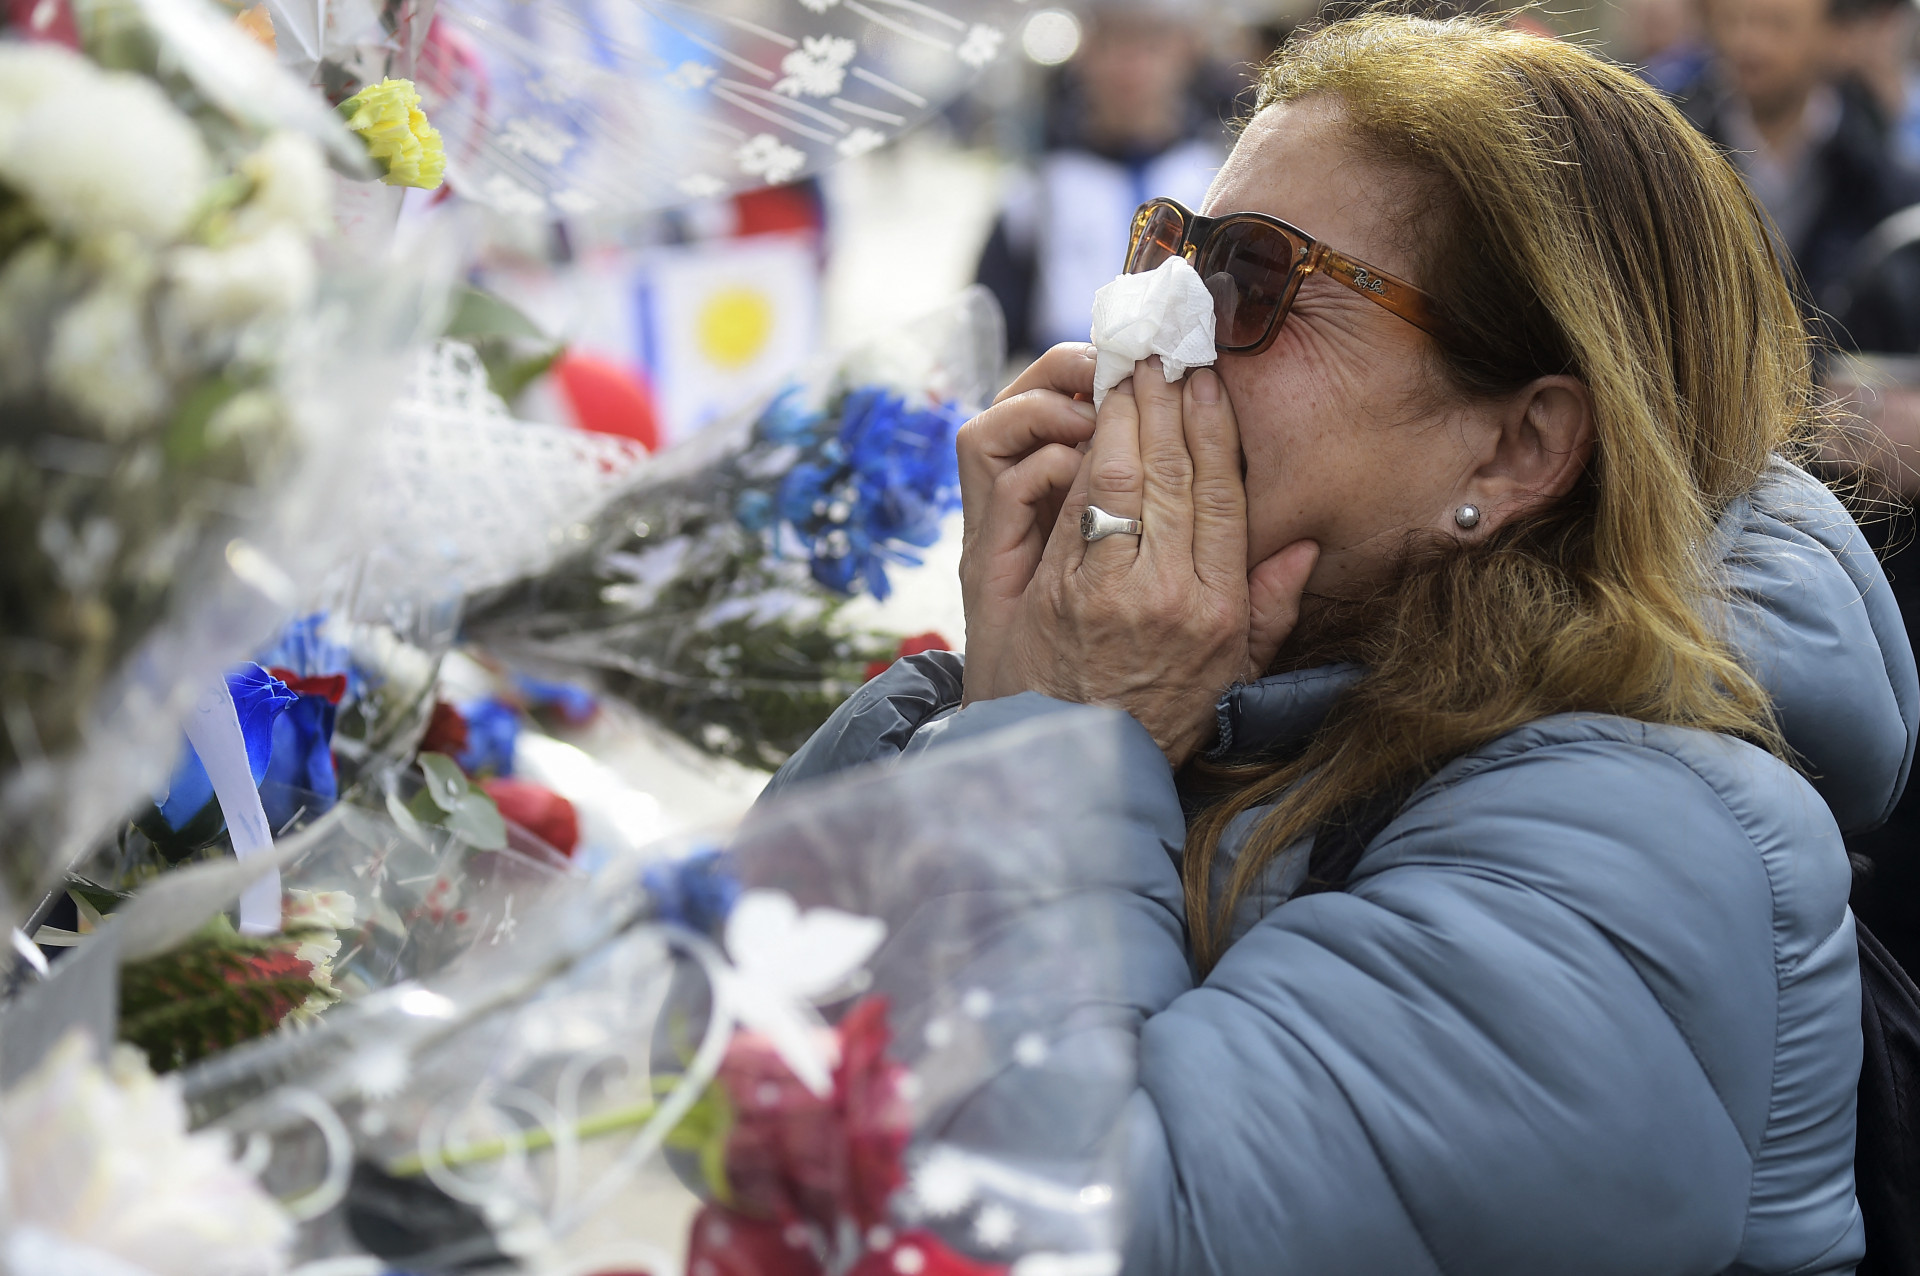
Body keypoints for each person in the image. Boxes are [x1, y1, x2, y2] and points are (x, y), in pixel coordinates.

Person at [769, 14, 1917, 1272]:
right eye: (1170, 250)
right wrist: (982, 696)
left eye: (1255, 282)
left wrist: (1063, 742)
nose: (1151, 324)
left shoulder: (1647, 838)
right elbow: (705, 1076)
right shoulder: (1237, 672)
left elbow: (1041, 1234)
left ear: (1518, 447)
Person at [974, 0, 1225, 359]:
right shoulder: (1035, 192)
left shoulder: (1218, 177)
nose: (1130, 66)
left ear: (1186, 50)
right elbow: (991, 337)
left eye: (1151, 44)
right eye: (1111, 42)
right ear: (1084, 52)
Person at [1674, 0, 1920, 311]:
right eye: (1735, 20)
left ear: (1833, 35)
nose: (1750, 43)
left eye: (1778, 24)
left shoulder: (1878, 181)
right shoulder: (1675, 150)